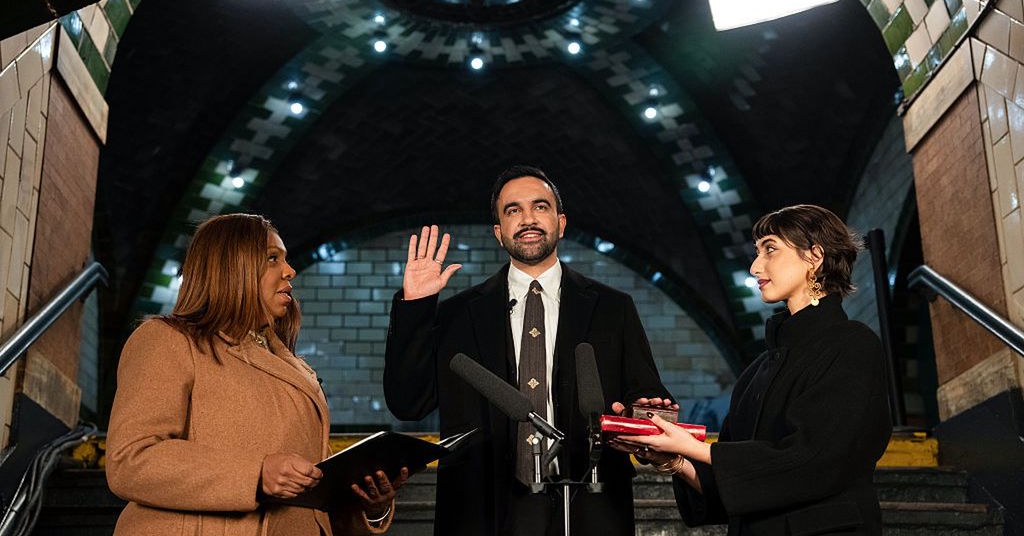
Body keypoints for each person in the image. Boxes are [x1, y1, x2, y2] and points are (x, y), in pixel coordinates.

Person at [383, 165, 674, 536]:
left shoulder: (613, 307)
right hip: (482, 509)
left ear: (561, 222)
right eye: (513, 210)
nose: (528, 219)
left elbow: (644, 393)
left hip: (590, 502)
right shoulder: (457, 314)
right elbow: (408, 402)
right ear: (498, 233)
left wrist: (649, 411)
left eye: (540, 206)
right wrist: (416, 307)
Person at [106, 214, 408, 536]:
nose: (290, 271)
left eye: (286, 260)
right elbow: (132, 459)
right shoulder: (167, 339)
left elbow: (313, 496)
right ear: (231, 266)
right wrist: (255, 475)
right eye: (272, 258)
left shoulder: (294, 369)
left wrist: (369, 507)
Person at [610, 204, 893, 535]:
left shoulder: (852, 344)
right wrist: (674, 458)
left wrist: (694, 447)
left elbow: (814, 460)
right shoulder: (757, 371)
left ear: (814, 256)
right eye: (757, 252)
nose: (755, 265)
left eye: (770, 249)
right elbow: (735, 490)